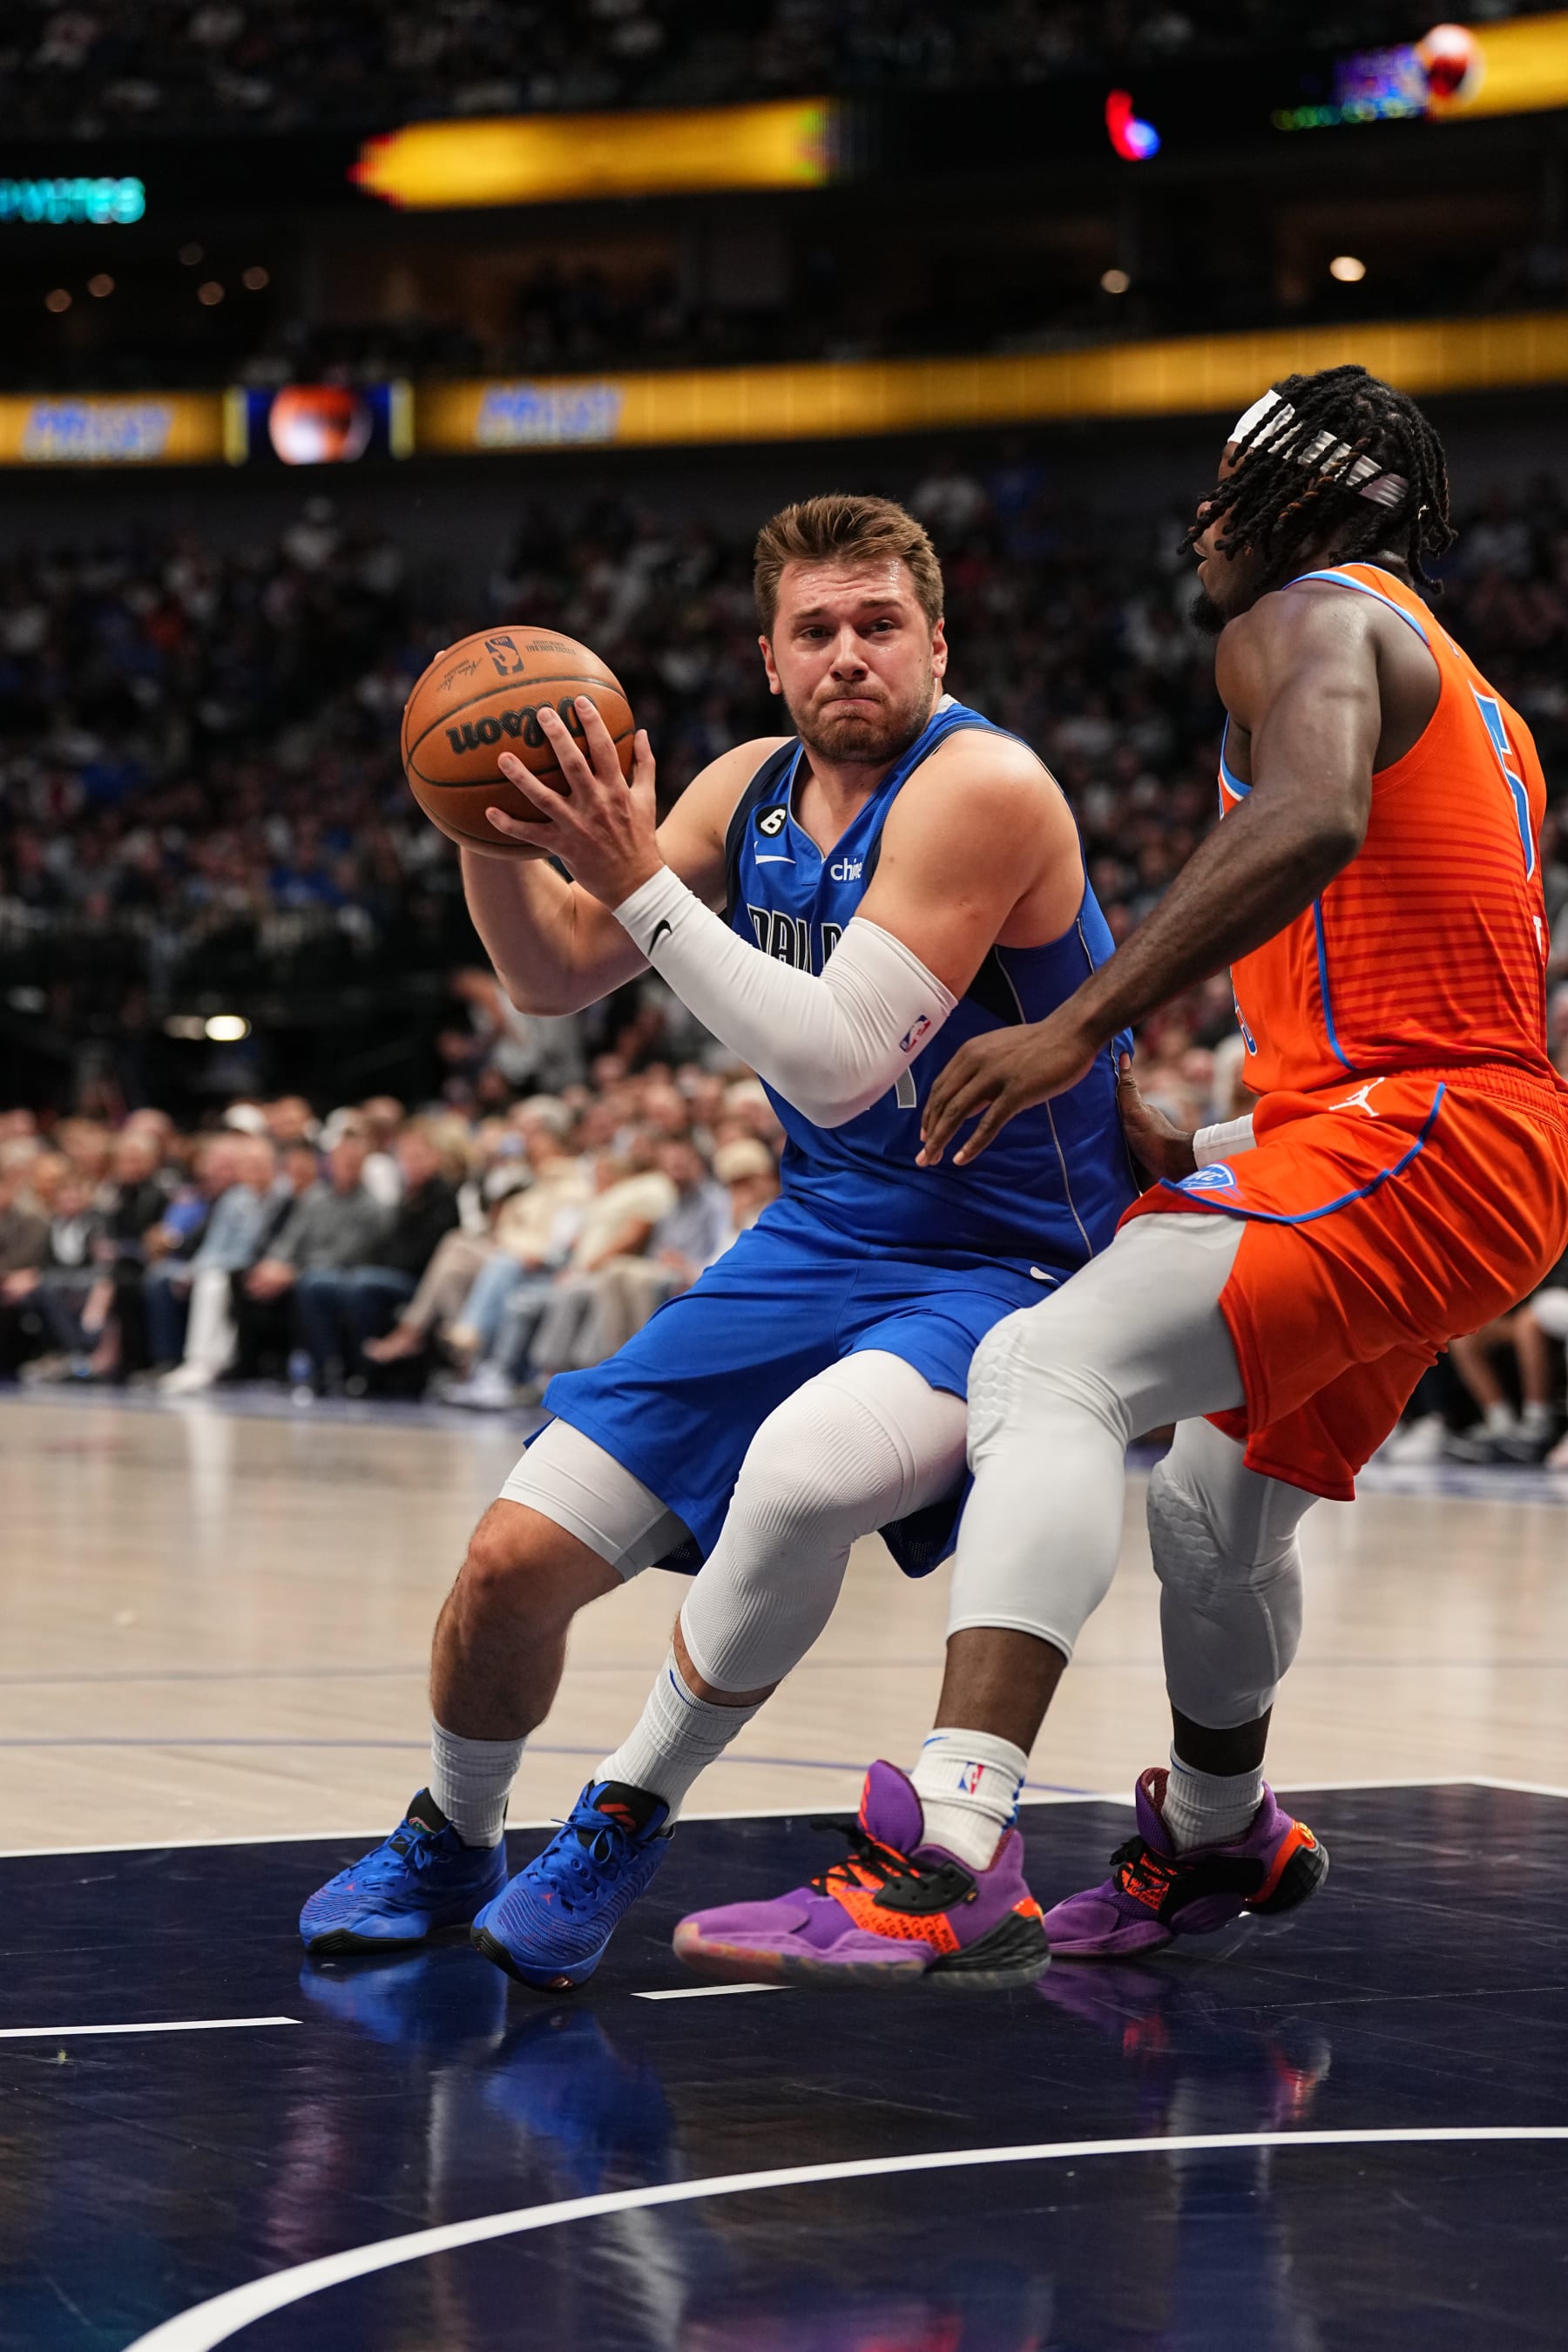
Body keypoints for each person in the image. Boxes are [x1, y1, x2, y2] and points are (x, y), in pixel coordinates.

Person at [670, 366, 1568, 1985]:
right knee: (1217, 1521)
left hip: (1423, 1139)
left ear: (1299, 503)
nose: (1203, 525)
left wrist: (1082, 1027)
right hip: (1432, 1144)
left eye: (1226, 490)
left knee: (1044, 1366)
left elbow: (1307, 820)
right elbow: (1410, 1008)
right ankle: (1219, 1832)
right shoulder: (1475, 694)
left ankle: (947, 1846)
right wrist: (1206, 1136)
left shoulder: (1303, 615)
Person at [301, 490, 1135, 1989]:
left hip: (1006, 1262)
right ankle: (453, 1828)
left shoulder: (983, 787)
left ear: (937, 642)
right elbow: (554, 976)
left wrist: (630, 876)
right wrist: (489, 830)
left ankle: (625, 1814)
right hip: (816, 1235)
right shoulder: (745, 788)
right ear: (769, 659)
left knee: (799, 1473)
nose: (849, 655)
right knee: (506, 1564)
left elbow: (837, 1063)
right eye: (815, 630)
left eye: (880, 625)